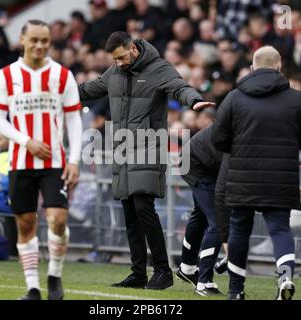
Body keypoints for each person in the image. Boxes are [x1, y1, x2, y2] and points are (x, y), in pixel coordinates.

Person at [78, 31, 213, 290]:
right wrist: (57, 90)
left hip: (149, 147)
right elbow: (88, 90)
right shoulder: (115, 72)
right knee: (130, 213)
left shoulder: (160, 68)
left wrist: (194, 101)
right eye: (114, 59)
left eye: (120, 57)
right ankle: (138, 272)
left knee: (143, 208)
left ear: (133, 48)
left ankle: (163, 270)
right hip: (123, 150)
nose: (117, 63)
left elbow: (179, 87)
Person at [211, 46, 301, 300]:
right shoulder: (296, 99)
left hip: (242, 176)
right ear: (280, 67)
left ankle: (236, 291)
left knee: (239, 230)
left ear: (252, 68)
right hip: (281, 177)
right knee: (280, 229)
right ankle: (285, 276)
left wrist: (237, 148)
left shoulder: (235, 97)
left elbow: (217, 138)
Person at [0, 20, 82, 300]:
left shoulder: (62, 75)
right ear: (22, 40)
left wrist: (75, 160)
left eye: (45, 40)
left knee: (57, 219)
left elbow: (74, 119)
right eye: (35, 40)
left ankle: (54, 276)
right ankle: (32, 288)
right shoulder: (7, 75)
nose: (40, 46)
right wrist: (25, 140)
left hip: (54, 162)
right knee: (26, 224)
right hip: (19, 161)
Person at [176, 122, 228, 296]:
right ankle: (204, 281)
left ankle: (187, 268)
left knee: (201, 216)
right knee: (217, 221)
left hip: (205, 161)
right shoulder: (242, 129)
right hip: (196, 162)